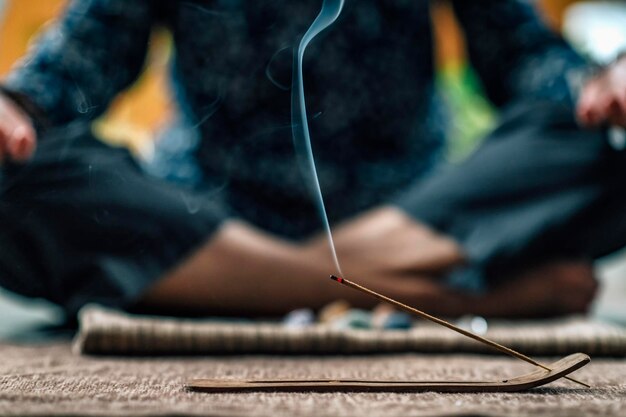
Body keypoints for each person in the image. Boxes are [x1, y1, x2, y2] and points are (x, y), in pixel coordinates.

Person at [0, 0, 621, 319]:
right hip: (203, 222)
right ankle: (441, 299)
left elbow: (525, 59)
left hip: (416, 219)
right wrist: (14, 105)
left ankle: (259, 294)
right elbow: (76, 66)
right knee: (14, 171)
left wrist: (607, 82)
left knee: (607, 143)